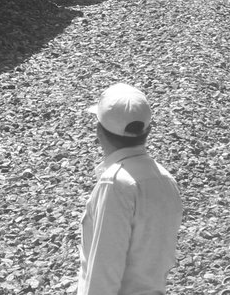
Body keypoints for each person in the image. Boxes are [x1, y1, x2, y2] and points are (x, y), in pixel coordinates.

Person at [77, 83, 183, 295]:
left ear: (99, 131)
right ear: (148, 130)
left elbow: (103, 272)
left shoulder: (115, 184)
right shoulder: (165, 179)